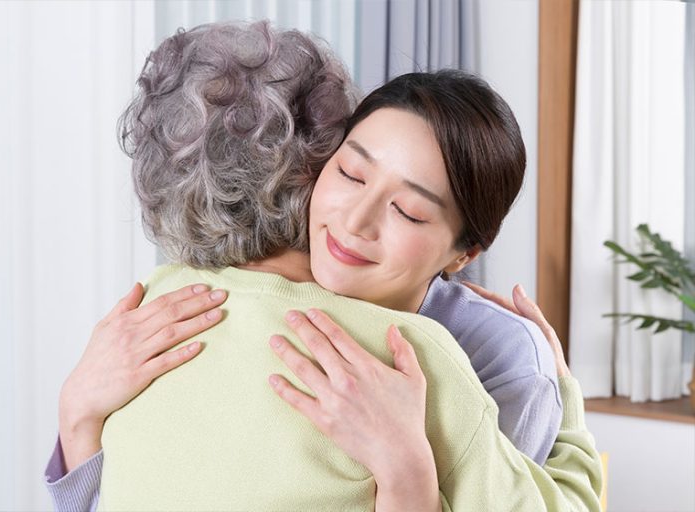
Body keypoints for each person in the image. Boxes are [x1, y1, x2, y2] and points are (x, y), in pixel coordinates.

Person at [45, 20, 602, 512]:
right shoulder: (158, 314)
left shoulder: (477, 355)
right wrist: (77, 411)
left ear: (464, 253)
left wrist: (410, 470)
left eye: (408, 211)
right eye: (352, 174)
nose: (356, 221)